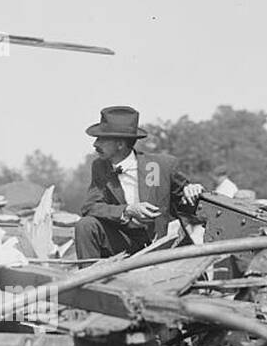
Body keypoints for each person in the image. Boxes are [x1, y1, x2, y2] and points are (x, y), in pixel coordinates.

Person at [73, 106, 203, 259]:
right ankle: (88, 280)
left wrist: (192, 190)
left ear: (120, 144)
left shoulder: (161, 165)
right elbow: (90, 207)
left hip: (161, 245)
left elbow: (189, 204)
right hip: (124, 244)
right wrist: (127, 210)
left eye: (102, 139)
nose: (95, 144)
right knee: (85, 225)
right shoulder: (100, 167)